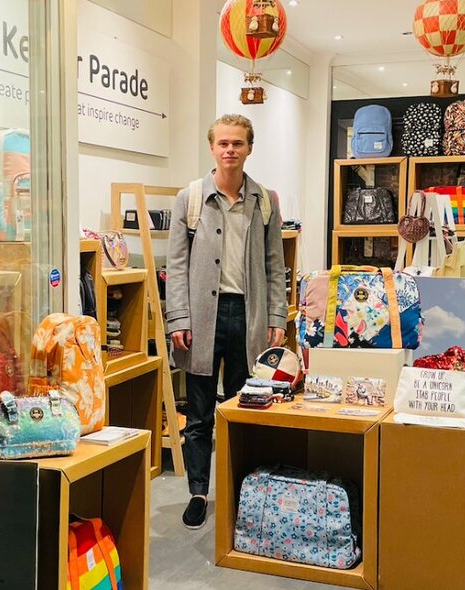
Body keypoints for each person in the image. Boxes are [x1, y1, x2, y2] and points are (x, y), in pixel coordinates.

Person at [165, 114, 287, 529]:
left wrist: (276, 316)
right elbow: (176, 265)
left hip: (248, 315)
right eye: (223, 143)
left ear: (249, 148)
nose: (230, 150)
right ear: (212, 147)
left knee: (243, 407)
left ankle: (240, 493)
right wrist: (177, 317)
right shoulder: (191, 197)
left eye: (238, 143)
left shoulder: (265, 200)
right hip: (201, 317)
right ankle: (198, 491)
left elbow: (276, 264)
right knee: (199, 413)